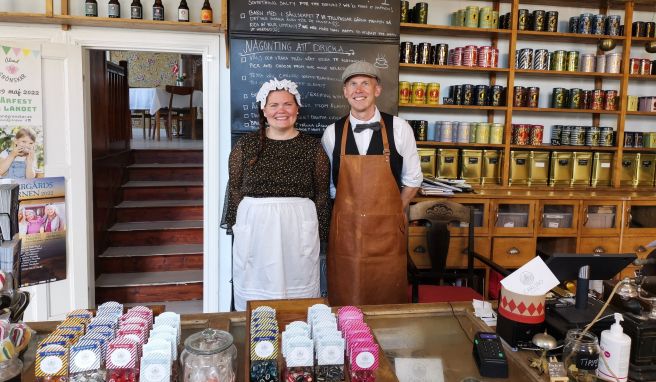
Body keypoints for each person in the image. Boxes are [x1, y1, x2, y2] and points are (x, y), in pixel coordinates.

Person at [221, 78, 331, 311]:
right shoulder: (246, 145)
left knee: (298, 291)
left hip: (298, 228)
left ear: (297, 108)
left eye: (288, 104)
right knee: (255, 290)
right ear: (263, 109)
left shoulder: (313, 148)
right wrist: (239, 225)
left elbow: (321, 195)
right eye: (273, 105)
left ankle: (296, 339)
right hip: (256, 230)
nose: (281, 110)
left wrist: (321, 233)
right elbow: (235, 188)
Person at [321, 61, 423, 306]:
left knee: (387, 295)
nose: (359, 89)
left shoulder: (400, 129)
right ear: (345, 92)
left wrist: (393, 211)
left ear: (377, 90)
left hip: (387, 232)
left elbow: (413, 179)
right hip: (346, 233)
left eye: (365, 83)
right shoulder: (332, 132)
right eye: (353, 84)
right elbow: (329, 187)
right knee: (346, 298)